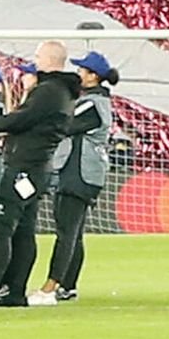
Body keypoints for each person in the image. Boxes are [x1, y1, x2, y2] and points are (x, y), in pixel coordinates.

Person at [0, 42, 83, 310]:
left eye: (37, 56)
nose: (34, 60)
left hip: (24, 166)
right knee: (24, 230)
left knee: (3, 227)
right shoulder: (65, 93)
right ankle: (15, 291)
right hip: (39, 168)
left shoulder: (48, 91)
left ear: (48, 59)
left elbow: (20, 121)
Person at [42, 53, 117, 307]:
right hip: (86, 173)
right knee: (74, 233)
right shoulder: (99, 102)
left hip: (78, 173)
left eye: (82, 71)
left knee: (66, 232)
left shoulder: (91, 104)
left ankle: (51, 286)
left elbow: (64, 124)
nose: (78, 76)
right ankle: (68, 286)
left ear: (93, 76)